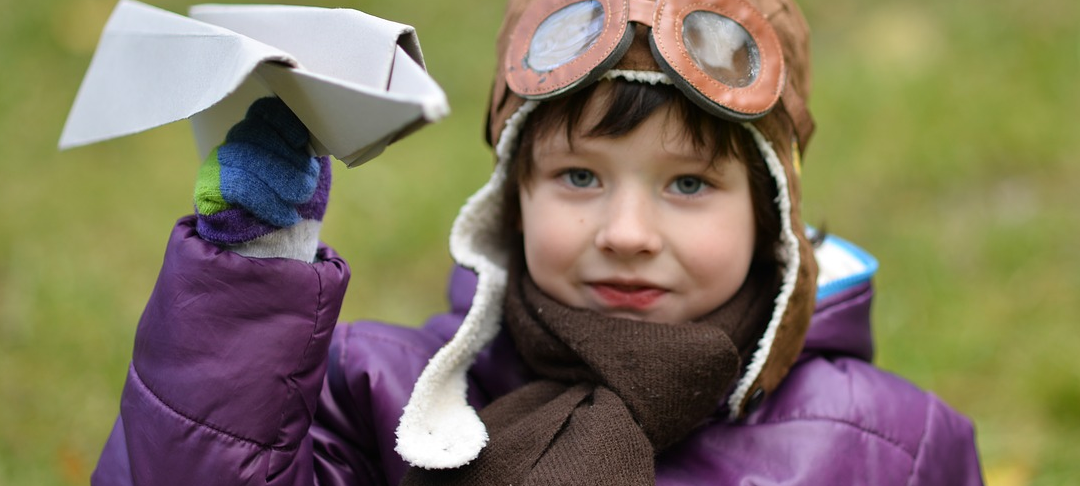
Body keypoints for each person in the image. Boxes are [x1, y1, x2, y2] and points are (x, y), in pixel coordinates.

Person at [91, 0, 985, 484]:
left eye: (688, 184)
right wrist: (253, 268)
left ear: (772, 215)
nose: (627, 234)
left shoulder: (888, 448)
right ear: (511, 199)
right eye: (579, 178)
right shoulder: (382, 401)